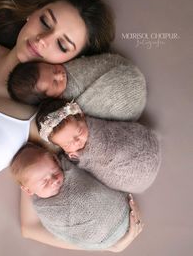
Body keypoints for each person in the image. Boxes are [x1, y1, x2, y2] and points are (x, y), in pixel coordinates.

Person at [0, 0, 114, 206]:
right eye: (45, 22)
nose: (42, 40)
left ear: (69, 63)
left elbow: (33, 221)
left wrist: (119, 241)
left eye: (62, 45)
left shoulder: (38, 127)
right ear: (32, 14)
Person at [10, 143, 143, 251]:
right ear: (28, 190)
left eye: (55, 172)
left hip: (120, 211)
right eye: (44, 182)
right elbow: (33, 229)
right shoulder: (44, 207)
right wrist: (108, 246)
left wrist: (112, 247)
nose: (54, 181)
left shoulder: (60, 162)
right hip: (100, 238)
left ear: (55, 161)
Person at [36, 99, 161, 193]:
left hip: (141, 151)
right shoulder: (70, 152)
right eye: (67, 144)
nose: (76, 142)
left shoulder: (97, 131)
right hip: (135, 179)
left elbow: (105, 154)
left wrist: (81, 157)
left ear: (83, 118)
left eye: (79, 133)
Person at [8, 52, 147, 119]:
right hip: (119, 102)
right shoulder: (60, 105)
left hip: (123, 74)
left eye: (53, 69)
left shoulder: (73, 67)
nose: (60, 75)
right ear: (49, 98)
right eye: (55, 82)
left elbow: (98, 64)